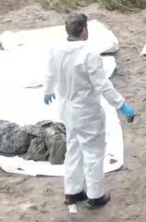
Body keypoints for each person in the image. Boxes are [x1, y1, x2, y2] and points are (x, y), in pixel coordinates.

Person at [43, 13, 135, 209]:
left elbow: (50, 73)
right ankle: (96, 194)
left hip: (66, 108)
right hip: (86, 110)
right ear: (83, 29)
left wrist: (47, 90)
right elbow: (103, 85)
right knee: (93, 152)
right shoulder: (89, 54)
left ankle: (73, 190)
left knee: (73, 148)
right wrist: (121, 105)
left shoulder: (56, 50)